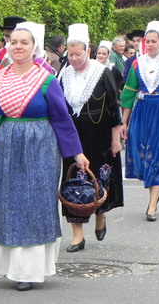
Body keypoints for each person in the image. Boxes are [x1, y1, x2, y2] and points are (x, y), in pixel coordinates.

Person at [0, 22, 89, 291]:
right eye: (14, 42)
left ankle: (29, 272)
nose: (18, 46)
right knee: (7, 203)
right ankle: (8, 267)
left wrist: (76, 153)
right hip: (3, 148)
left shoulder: (46, 80)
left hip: (40, 148)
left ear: (35, 48)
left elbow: (62, 119)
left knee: (34, 205)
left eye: (24, 42)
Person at [59, 24, 124, 252]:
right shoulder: (63, 75)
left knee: (99, 179)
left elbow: (115, 108)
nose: (74, 58)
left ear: (87, 50)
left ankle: (100, 213)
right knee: (72, 182)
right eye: (71, 54)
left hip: (100, 135)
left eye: (78, 53)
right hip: (73, 137)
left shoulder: (102, 72)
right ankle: (77, 235)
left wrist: (116, 139)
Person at [121, 21, 159, 222]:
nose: (149, 44)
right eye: (147, 41)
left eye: (153, 41)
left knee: (158, 154)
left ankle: (151, 205)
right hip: (141, 111)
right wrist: (123, 122)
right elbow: (130, 92)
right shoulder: (136, 63)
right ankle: (155, 194)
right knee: (143, 155)